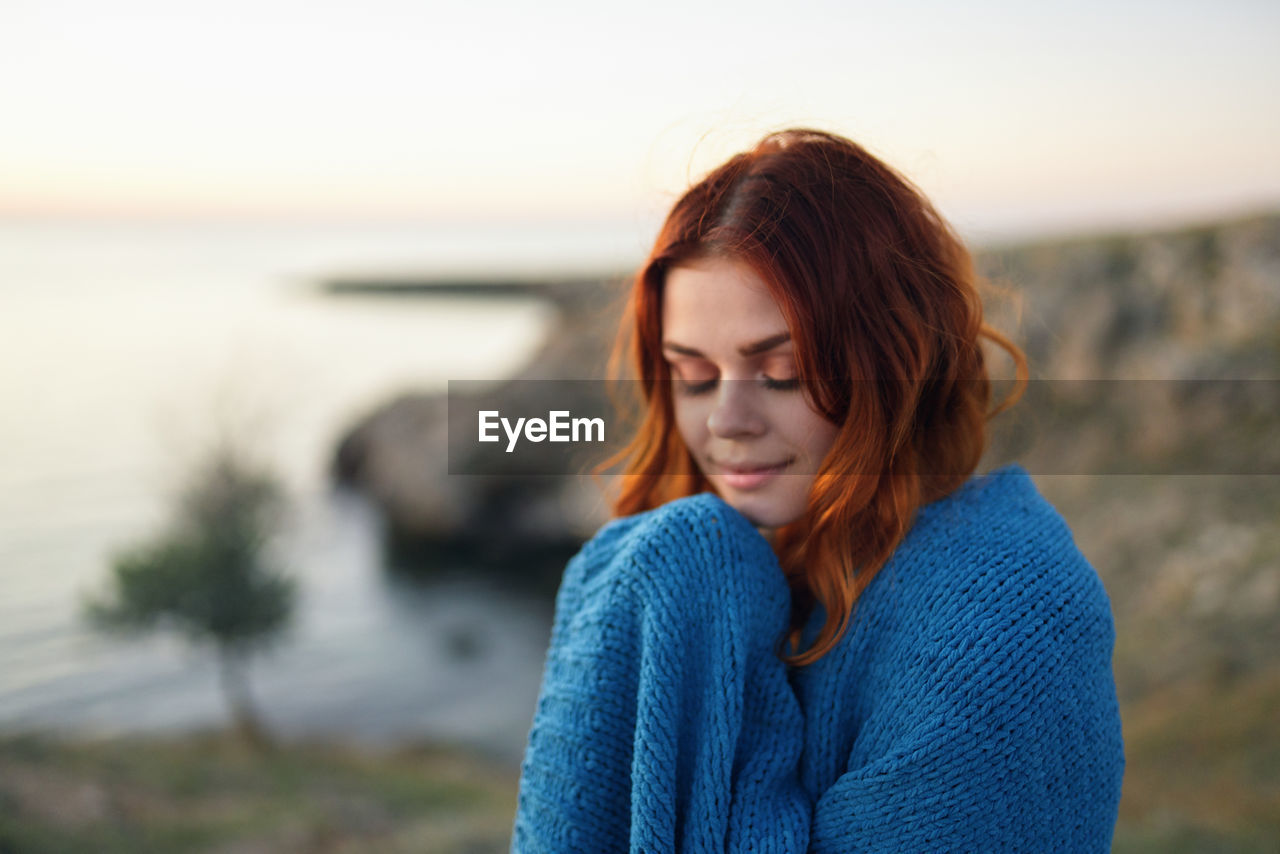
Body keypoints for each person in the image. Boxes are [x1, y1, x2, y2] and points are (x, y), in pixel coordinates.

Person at [509, 129, 1125, 852]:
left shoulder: (1000, 626)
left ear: (894, 357)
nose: (727, 422)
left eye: (782, 370)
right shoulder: (761, 561)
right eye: (693, 373)